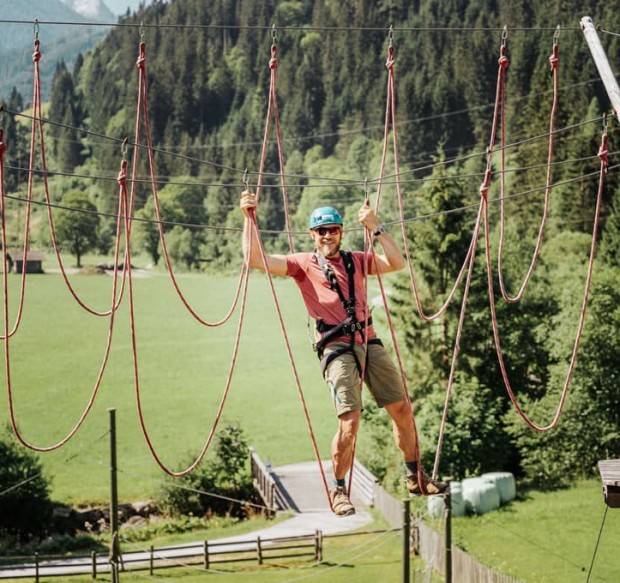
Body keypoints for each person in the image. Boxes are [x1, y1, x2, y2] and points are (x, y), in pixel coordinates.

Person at [240, 191, 447, 516]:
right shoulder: (302, 264)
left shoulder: (358, 260)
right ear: (312, 235)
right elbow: (255, 260)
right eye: (321, 231)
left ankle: (414, 476)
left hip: (368, 341)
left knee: (403, 410)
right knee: (350, 422)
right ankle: (338, 489)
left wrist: (376, 229)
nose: (327, 236)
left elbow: (396, 263)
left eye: (332, 229)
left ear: (340, 232)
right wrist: (249, 216)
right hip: (336, 348)